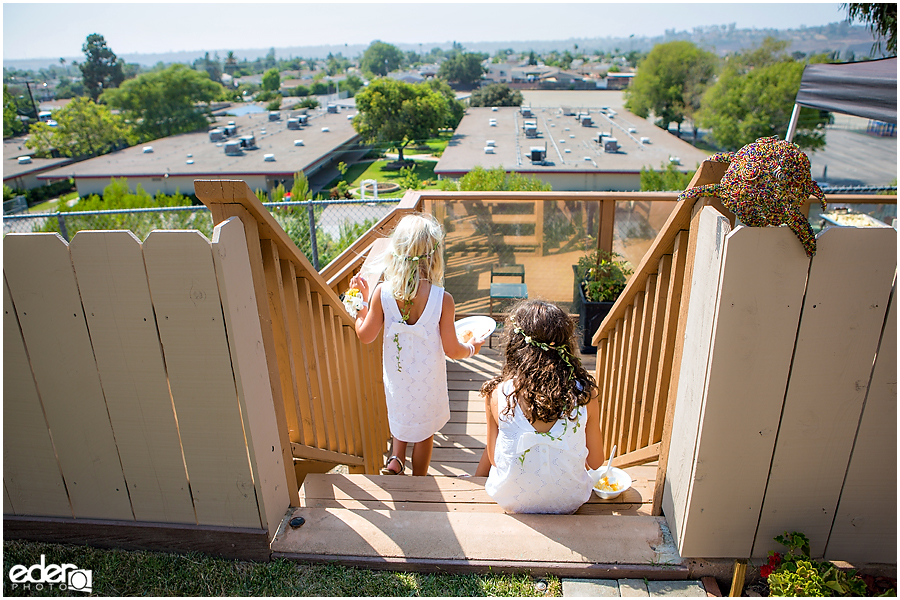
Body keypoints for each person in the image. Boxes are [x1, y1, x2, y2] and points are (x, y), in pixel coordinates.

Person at [351, 213, 484, 476]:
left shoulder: (382, 293)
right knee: (424, 434)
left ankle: (396, 460)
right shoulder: (442, 299)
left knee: (401, 418)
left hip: (398, 380)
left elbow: (365, 335)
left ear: (397, 251)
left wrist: (360, 305)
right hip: (427, 383)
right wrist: (473, 348)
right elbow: (452, 350)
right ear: (433, 256)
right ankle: (418, 482)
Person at [475, 299, 605, 513]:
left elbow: (495, 461)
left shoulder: (497, 395)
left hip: (511, 500)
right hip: (570, 502)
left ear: (515, 345)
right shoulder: (584, 394)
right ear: (566, 345)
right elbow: (597, 461)